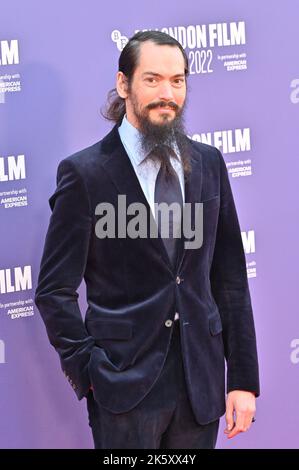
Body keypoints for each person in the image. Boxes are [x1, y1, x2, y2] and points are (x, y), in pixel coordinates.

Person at [34, 30, 260, 449]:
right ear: (124, 85)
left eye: (178, 80)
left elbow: (229, 277)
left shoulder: (209, 164)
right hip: (123, 388)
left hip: (201, 386)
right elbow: (53, 290)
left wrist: (243, 379)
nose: (167, 94)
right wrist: (90, 372)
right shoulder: (85, 174)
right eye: (153, 79)